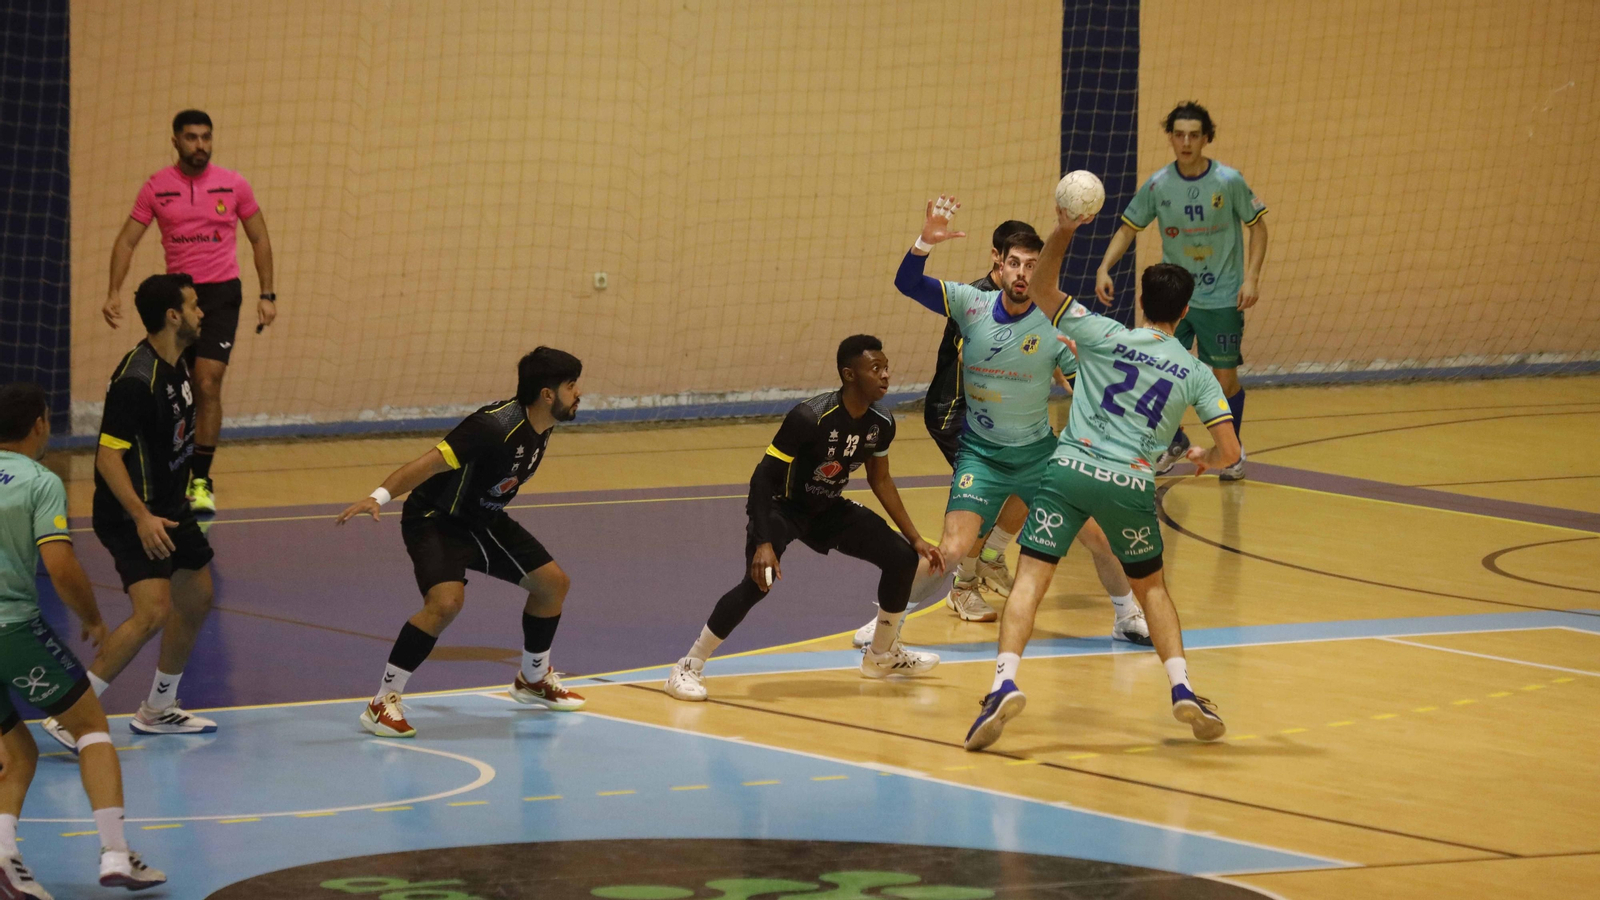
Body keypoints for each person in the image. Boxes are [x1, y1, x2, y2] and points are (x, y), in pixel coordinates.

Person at [964, 209, 1240, 753]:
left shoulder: (1102, 332)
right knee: (1152, 588)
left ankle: (1002, 684)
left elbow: (1042, 288)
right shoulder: (1197, 372)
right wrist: (1204, 456)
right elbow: (1231, 452)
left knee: (1030, 580)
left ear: (1141, 302)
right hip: (1130, 483)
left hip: (1069, 470)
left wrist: (1065, 230)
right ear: (1185, 312)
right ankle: (1182, 688)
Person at [868, 197, 1150, 643]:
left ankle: (1127, 615)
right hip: (982, 456)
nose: (1022, 273)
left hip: (1040, 457)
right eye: (1015, 263)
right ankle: (886, 624)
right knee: (952, 549)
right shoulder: (971, 303)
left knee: (1098, 538)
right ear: (1000, 265)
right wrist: (925, 241)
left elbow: (1086, 388)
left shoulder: (1057, 325)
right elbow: (907, 282)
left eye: (1032, 265)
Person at [663, 336, 945, 701]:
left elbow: (880, 479)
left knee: (903, 558)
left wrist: (916, 538)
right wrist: (764, 541)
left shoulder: (882, 423)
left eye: (886, 367)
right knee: (759, 582)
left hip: (827, 507)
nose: (886, 375)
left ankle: (881, 655)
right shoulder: (809, 417)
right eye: (876, 368)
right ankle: (687, 667)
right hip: (781, 507)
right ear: (849, 375)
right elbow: (762, 478)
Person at [337, 348, 588, 738]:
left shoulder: (543, 423)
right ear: (547, 394)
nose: (579, 393)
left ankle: (533, 679)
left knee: (552, 585)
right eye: (572, 386)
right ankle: (382, 702)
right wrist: (378, 496)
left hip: (483, 519)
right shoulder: (492, 427)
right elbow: (428, 463)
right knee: (445, 604)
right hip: (436, 519)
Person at [0, 383, 167, 896]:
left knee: (17, 753)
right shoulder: (38, 481)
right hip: (11, 630)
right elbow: (60, 563)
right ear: (39, 425)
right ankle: (115, 852)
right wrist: (92, 617)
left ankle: (3, 856)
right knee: (92, 729)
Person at [44, 274, 220, 752]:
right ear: (173, 316)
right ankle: (69, 715)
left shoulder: (176, 363)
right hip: (131, 513)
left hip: (169, 506)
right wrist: (142, 517)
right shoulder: (136, 381)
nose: (202, 313)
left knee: (197, 595)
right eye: (194, 305)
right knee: (152, 612)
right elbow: (107, 457)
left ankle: (159, 708)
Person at [104, 109, 279, 513]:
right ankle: (173, 473)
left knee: (207, 382)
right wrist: (113, 291)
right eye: (191, 137)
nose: (200, 144)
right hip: (177, 298)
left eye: (206, 137)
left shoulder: (233, 184)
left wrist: (267, 294)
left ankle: (201, 481)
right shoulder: (156, 187)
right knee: (177, 390)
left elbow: (260, 238)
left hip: (221, 295)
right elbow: (127, 241)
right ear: (176, 141)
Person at [1093, 101, 1267, 481]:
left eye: (1194, 135)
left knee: (1224, 381)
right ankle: (1172, 443)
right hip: (1175, 298)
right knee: (1152, 371)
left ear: (1206, 138)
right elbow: (1128, 228)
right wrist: (1105, 267)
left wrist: (1251, 277)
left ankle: (1231, 453)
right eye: (1179, 135)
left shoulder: (1228, 181)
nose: (1186, 142)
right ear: (1170, 138)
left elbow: (1258, 227)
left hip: (1222, 297)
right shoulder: (1158, 185)